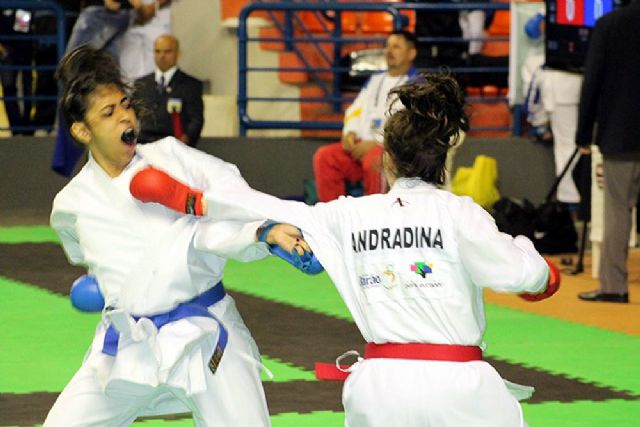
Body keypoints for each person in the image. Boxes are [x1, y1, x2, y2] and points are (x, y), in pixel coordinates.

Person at [131, 73, 561, 427]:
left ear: (385, 158)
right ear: (446, 151)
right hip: (463, 393)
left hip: (379, 392)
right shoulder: (460, 214)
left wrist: (188, 198)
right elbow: (523, 277)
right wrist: (539, 267)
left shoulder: (348, 215)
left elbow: (266, 205)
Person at [44, 46, 281, 426]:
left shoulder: (172, 158)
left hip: (205, 333)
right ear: (81, 130)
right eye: (108, 112)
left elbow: (234, 200)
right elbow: (88, 256)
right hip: (129, 343)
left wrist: (264, 231)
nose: (125, 116)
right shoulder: (70, 205)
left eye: (124, 104)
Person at [575, 1, 640, 304]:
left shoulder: (609, 25)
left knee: (617, 212)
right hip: (620, 134)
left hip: (620, 133)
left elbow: (593, 82)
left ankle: (614, 286)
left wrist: (583, 132)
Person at [312, 30, 418, 202]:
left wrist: (377, 142)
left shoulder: (416, 85)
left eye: (396, 47)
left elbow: (408, 126)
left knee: (375, 160)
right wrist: (350, 132)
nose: (389, 51)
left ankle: (374, 220)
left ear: (411, 53)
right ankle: (332, 215)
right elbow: (356, 109)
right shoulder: (375, 80)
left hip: (390, 149)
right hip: (361, 145)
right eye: (387, 46)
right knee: (325, 157)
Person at [133, 34, 204, 147]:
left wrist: (186, 140)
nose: (162, 56)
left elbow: (196, 120)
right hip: (143, 144)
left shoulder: (191, 85)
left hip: (175, 145)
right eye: (157, 51)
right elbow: (133, 115)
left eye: (167, 51)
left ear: (178, 54)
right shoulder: (141, 84)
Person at [118, 0, 172, 81]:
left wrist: (153, 7)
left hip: (158, 21)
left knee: (154, 70)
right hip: (132, 19)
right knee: (126, 69)